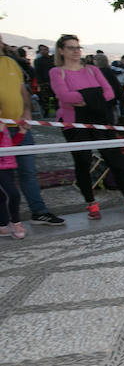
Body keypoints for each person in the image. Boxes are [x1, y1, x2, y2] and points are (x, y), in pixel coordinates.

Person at [49, 34, 124, 219]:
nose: (76, 51)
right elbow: (65, 96)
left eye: (78, 47)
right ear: (61, 50)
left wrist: (83, 97)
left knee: (115, 159)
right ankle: (91, 203)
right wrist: (94, 96)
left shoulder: (92, 69)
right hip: (74, 122)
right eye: (71, 48)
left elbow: (109, 93)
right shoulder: (57, 72)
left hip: (100, 119)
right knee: (82, 161)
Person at [0, 34, 65, 226]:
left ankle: (39, 212)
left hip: (21, 127)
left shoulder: (10, 63)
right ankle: (7, 220)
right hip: (1, 132)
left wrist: (27, 111)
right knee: (6, 180)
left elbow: (22, 90)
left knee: (28, 172)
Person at [0, 119, 27, 238]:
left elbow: (9, 146)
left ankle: (3, 224)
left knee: (2, 196)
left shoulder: (3, 125)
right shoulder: (2, 127)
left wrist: (21, 133)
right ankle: (15, 222)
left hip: (9, 165)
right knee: (14, 194)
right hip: (1, 167)